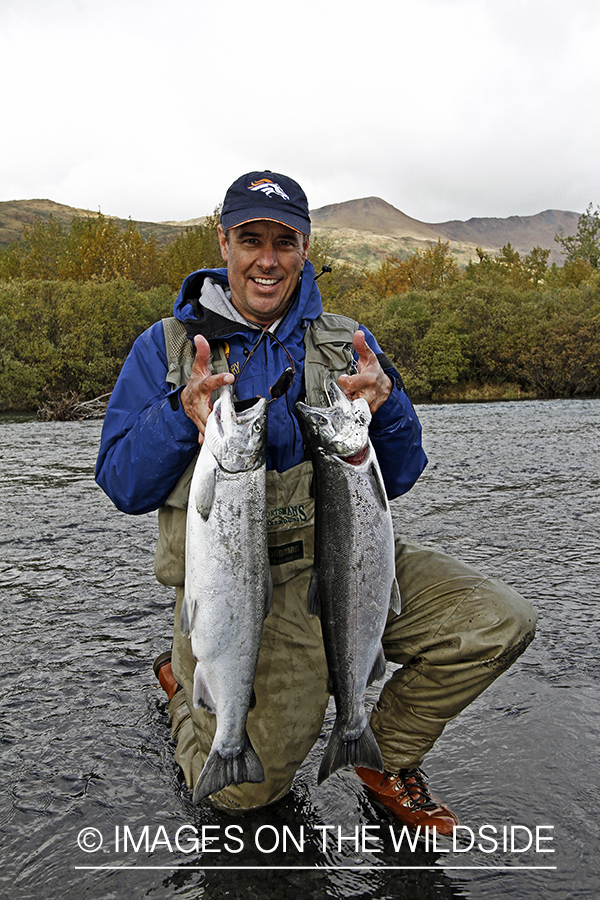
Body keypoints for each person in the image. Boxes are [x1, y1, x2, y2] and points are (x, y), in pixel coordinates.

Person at [95, 170, 537, 834]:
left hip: (349, 560)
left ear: (305, 247)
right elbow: (122, 483)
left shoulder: (348, 344)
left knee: (497, 621)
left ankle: (379, 753)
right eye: (251, 239)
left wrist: (385, 413)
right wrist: (174, 418)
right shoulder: (166, 349)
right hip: (236, 588)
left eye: (284, 241)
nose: (266, 259)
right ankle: (193, 687)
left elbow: (405, 473)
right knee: (240, 794)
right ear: (224, 243)